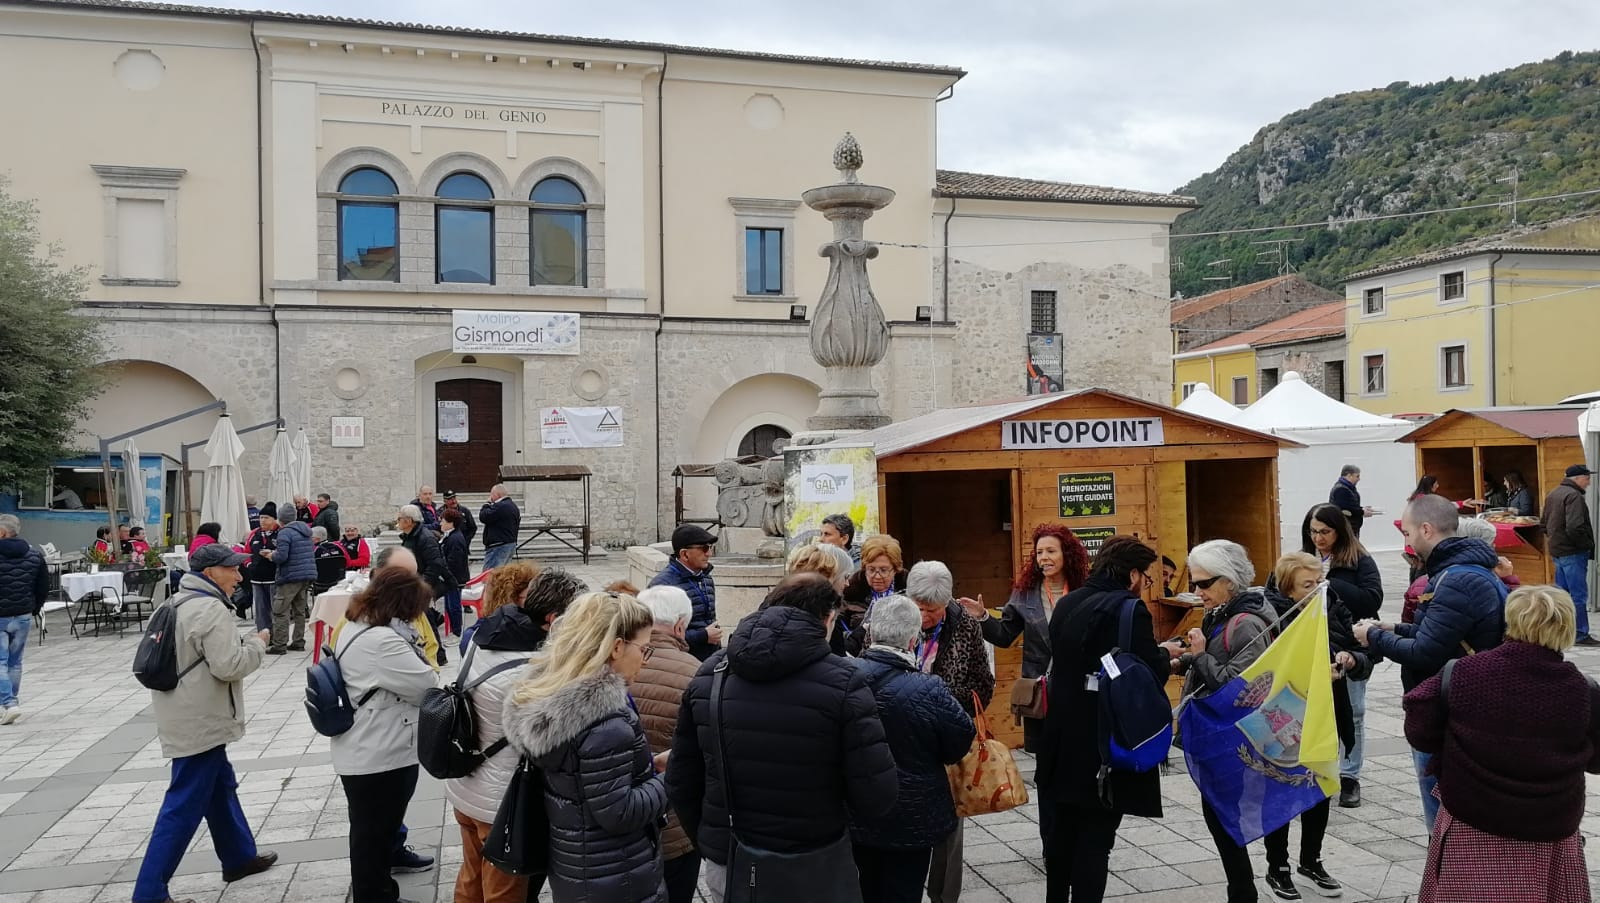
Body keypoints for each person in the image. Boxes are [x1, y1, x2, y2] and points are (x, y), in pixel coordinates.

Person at [667, 574, 898, 903]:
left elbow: (681, 780)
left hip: (732, 859)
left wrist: (711, 842)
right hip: (815, 861)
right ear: (827, 619)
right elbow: (877, 795)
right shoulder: (845, 681)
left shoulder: (710, 673)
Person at [1403, 584, 1600, 903]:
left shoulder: (1463, 672)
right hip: (1550, 830)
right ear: (1565, 627)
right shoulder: (1583, 690)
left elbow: (1419, 729)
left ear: (1511, 621)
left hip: (1471, 821)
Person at [503, 591, 670, 903]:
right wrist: (671, 778)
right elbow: (619, 812)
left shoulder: (551, 697)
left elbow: (582, 779)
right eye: (644, 649)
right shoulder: (607, 722)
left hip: (576, 867)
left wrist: (648, 766)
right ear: (616, 647)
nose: (645, 660)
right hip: (617, 876)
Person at [132, 544, 276, 903]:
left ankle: (238, 857)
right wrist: (258, 644)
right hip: (200, 719)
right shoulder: (210, 609)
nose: (239, 576)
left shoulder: (175, 601)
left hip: (182, 710)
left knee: (220, 786)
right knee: (182, 805)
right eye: (232, 569)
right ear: (211, 573)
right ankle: (149, 893)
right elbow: (230, 666)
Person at [1357, 493, 1507, 832]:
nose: (1408, 543)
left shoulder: (1457, 579)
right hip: (1455, 705)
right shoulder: (1461, 573)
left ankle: (1444, 864)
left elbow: (1426, 652)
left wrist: (1373, 637)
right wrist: (1393, 628)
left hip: (1451, 711)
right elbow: (1441, 634)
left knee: (1444, 820)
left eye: (1408, 533)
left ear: (1426, 529)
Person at [1036, 536, 1166, 903]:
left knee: (1061, 837)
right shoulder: (1130, 610)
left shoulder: (1068, 602)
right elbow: (1147, 673)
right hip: (1102, 741)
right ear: (1133, 574)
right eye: (1146, 577)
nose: (1145, 584)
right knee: (1095, 840)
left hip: (1060, 738)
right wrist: (1167, 655)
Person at [1163, 539, 1275, 903]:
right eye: (1194, 583)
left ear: (1229, 580)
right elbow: (1220, 659)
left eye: (1204, 583)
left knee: (1223, 815)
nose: (1197, 591)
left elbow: (1237, 685)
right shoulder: (1225, 612)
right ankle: (1240, 889)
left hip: (1232, 736)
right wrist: (1183, 660)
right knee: (1219, 815)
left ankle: (1243, 891)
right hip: (1218, 733)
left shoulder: (1247, 622)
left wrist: (1198, 656)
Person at [850, 595, 976, 903]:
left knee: (864, 887)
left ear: (871, 633)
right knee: (904, 890)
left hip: (857, 808)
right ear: (912, 640)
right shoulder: (929, 688)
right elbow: (960, 740)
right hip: (913, 816)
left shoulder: (843, 678)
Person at [1259, 552, 1366, 900]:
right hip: (1284, 715)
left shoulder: (1330, 603)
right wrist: (1317, 671)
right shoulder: (1271, 615)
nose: (1318, 588)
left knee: (1319, 786)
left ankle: (1311, 861)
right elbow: (1271, 668)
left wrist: (1350, 659)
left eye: (1320, 581)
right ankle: (1277, 867)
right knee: (1280, 789)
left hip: (1325, 709)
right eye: (1308, 584)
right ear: (1287, 588)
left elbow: (1360, 650)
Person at [331, 566, 440, 903]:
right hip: (379, 751)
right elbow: (426, 687)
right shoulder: (383, 641)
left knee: (370, 832)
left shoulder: (356, 624)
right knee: (375, 834)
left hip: (366, 745)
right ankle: (373, 897)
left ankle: (378, 893)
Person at [444, 560, 543, 903]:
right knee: (502, 888)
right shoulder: (523, 654)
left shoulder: (475, 637)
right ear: (515, 599)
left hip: (468, 780)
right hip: (498, 794)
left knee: (472, 873)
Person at [899, 560, 994, 903]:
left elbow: (983, 683)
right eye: (920, 608)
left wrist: (949, 708)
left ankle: (943, 895)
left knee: (951, 823)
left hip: (948, 738)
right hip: (902, 735)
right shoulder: (892, 614)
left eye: (933, 610)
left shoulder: (965, 624)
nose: (925, 617)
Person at [963, 524, 1090, 756]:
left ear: (1067, 554)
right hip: (1040, 693)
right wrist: (982, 617)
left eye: (1051, 551)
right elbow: (1004, 636)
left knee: (1079, 756)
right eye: (1039, 552)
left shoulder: (1085, 591)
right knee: (1045, 760)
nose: (1044, 557)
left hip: (1078, 689)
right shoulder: (1025, 594)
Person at [1299, 503, 1383, 807]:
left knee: (1354, 710)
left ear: (1339, 531)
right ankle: (1319, 770)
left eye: (1325, 531)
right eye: (1313, 531)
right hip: (1314, 643)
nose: (1318, 538)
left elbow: (1372, 599)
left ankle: (1349, 776)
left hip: (1350, 645)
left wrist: (1331, 584)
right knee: (1315, 710)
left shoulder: (1359, 559)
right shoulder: (1303, 559)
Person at [633, 585, 706, 903]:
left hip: (617, 823)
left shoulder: (613, 662)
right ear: (679, 626)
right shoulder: (696, 673)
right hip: (675, 825)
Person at [0, 515, 47, 725]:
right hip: (23, 614)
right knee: (15, 661)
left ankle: (9, 704)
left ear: (2, 532)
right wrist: (34, 608)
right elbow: (42, 586)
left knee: (0, 662)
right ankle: (11, 701)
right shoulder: (34, 555)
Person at [648, 524, 720, 660]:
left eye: (710, 547)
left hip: (708, 659)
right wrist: (703, 636)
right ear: (684, 554)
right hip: (680, 661)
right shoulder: (662, 585)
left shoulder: (705, 577)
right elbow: (656, 634)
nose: (709, 553)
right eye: (704, 548)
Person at [1543, 464, 1596, 646]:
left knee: (1562, 595)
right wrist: (1585, 545)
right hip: (1573, 552)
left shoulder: (1553, 493)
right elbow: (1575, 527)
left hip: (1558, 551)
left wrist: (1555, 541)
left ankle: (1560, 632)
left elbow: (1544, 524)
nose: (1588, 483)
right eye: (1587, 478)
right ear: (1577, 479)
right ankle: (1580, 634)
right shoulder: (1574, 496)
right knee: (1578, 595)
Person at [835, 533, 907, 656]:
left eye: (883, 570)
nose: (877, 576)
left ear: (895, 569)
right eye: (871, 570)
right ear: (864, 568)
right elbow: (838, 633)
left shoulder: (910, 591)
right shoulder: (849, 592)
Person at [267, 501, 315, 654]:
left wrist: (271, 555)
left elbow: (282, 556)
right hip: (306, 575)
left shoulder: (285, 533)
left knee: (280, 610)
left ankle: (279, 644)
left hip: (290, 576)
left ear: (281, 519)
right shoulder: (305, 531)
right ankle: (298, 641)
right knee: (299, 610)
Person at [397, 504, 453, 610]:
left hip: (423, 588)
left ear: (408, 521)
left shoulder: (426, 538)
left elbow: (435, 565)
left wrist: (421, 585)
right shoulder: (409, 536)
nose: (397, 522)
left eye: (399, 519)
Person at [438, 509, 471, 636]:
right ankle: (453, 629)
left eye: (443, 521)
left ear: (451, 523)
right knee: (449, 606)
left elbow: (454, 561)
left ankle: (457, 632)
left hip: (455, 578)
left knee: (454, 606)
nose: (440, 523)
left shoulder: (455, 539)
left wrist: (445, 573)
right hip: (450, 577)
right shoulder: (450, 536)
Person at [245, 511, 279, 633]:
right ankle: (263, 634)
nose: (263, 520)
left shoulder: (280, 533)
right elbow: (246, 551)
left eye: (266, 517)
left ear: (274, 519)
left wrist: (273, 554)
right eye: (261, 517)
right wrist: (249, 564)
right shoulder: (254, 534)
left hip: (274, 577)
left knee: (276, 609)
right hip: (256, 577)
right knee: (260, 610)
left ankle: (277, 636)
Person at [479, 483, 521, 570]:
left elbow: (483, 516)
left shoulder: (501, 506)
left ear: (496, 494)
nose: (490, 497)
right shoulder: (513, 506)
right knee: (502, 573)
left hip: (499, 546)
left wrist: (486, 504)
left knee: (490, 574)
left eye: (491, 494)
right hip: (509, 543)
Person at [1328, 464, 1373, 537]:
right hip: (1346, 529)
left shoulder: (1347, 488)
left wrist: (1362, 509)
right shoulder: (1341, 490)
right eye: (1357, 476)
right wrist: (1362, 512)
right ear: (1349, 475)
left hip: (1350, 527)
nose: (1359, 479)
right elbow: (1346, 509)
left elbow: (1350, 505)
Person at [312, 526, 348, 595]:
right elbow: (347, 563)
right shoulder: (339, 547)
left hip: (319, 583)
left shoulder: (313, 550)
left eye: (311, 538)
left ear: (317, 539)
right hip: (338, 582)